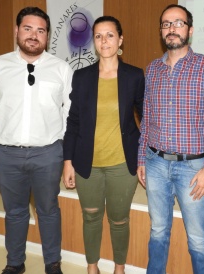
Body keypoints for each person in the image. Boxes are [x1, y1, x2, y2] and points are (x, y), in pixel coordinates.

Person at [0, 6, 73, 274]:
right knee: (15, 212)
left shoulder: (61, 69)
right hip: (6, 155)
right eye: (28, 28)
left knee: (48, 210)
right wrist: (11, 130)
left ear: (47, 36)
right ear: (16, 31)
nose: (34, 35)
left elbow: (69, 111)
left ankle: (52, 262)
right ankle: (15, 262)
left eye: (40, 30)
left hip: (48, 154)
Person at [137, 4, 204, 274]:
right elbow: (147, 118)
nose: (171, 28)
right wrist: (142, 158)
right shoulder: (152, 70)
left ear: (190, 29)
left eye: (178, 23)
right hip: (155, 163)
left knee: (197, 238)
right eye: (166, 24)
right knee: (158, 231)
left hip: (194, 168)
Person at [62, 16, 144, 274]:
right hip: (88, 164)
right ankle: (92, 267)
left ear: (120, 40)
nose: (104, 40)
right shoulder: (82, 76)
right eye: (98, 36)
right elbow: (73, 122)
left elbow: (146, 118)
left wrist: (145, 158)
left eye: (110, 35)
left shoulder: (134, 76)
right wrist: (67, 162)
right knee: (91, 217)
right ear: (93, 41)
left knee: (119, 220)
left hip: (123, 163)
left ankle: (119, 268)